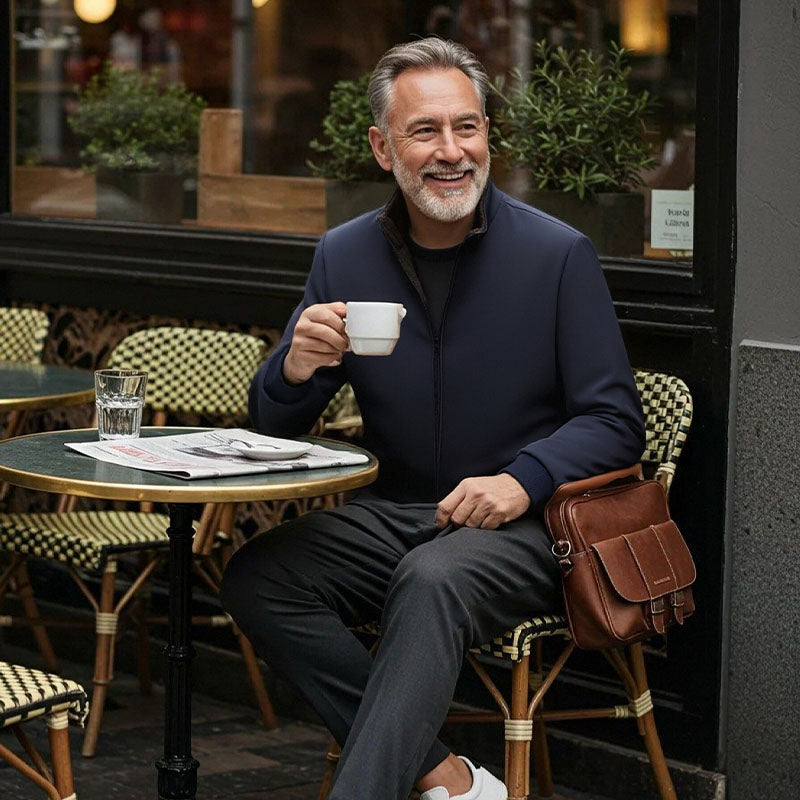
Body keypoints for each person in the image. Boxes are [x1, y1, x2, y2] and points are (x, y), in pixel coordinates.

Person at [221, 37, 645, 800]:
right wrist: (294, 369)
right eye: (425, 131)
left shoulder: (558, 254)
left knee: (430, 578)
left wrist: (522, 480)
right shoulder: (343, 254)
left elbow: (616, 420)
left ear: (488, 135)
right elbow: (272, 427)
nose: (452, 151)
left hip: (532, 527)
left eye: (467, 127)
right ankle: (445, 777)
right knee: (261, 574)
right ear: (383, 148)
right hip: (402, 513)